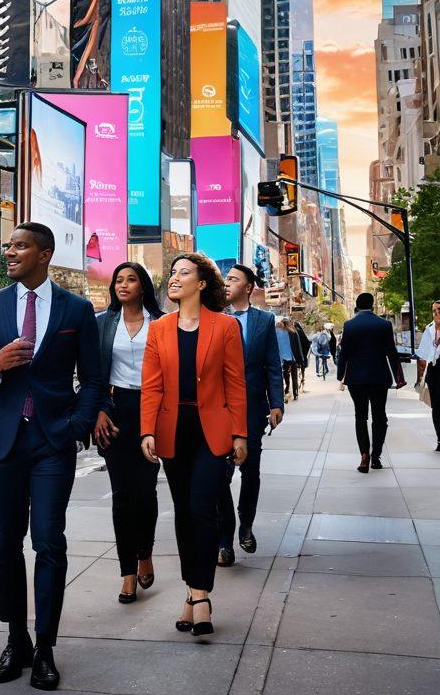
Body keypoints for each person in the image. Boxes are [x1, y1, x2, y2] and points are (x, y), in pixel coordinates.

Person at [0, 222, 101, 691]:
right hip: (3, 441)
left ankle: (45, 646)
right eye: (7, 246)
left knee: (49, 542)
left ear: (45, 253)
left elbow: (94, 379)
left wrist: (77, 427)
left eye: (19, 246)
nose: (9, 252)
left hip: (51, 442)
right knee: (6, 545)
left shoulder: (77, 310)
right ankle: (15, 638)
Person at [140, 253, 247, 638]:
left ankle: (200, 596)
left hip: (212, 429)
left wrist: (240, 433)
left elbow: (236, 383)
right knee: (184, 511)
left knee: (203, 508)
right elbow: (152, 384)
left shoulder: (226, 327)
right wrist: (146, 429)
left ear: (202, 284)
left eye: (184, 273)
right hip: (172, 428)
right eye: (172, 272)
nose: (174, 277)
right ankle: (192, 592)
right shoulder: (159, 328)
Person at [93, 262, 163, 603]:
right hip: (116, 410)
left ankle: (145, 551)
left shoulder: (162, 323)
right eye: (118, 280)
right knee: (122, 495)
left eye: (131, 279)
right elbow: (91, 375)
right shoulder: (102, 324)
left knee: (146, 491)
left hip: (152, 411)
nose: (123, 285)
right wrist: (99, 411)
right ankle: (127, 572)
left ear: (143, 286)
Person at [217, 265, 284, 567]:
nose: (227, 283)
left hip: (253, 408)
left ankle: (246, 524)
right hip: (219, 410)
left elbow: (272, 364)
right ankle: (224, 540)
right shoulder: (215, 319)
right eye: (226, 279)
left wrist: (276, 403)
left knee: (250, 471)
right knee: (220, 476)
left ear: (248, 287)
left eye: (233, 279)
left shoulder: (264, 320)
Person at [337, 291, 405, 472]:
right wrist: (399, 377)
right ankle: (376, 456)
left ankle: (364, 456)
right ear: (372, 305)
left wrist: (340, 376)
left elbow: (344, 353)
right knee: (379, 416)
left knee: (360, 417)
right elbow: (391, 352)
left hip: (356, 378)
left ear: (357, 307)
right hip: (379, 377)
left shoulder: (349, 325)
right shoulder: (384, 324)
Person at [416, 299, 440, 451]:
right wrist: (422, 372)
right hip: (434, 373)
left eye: (439, 309)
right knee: (436, 408)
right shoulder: (429, 329)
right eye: (434, 310)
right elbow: (422, 355)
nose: (436, 313)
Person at [276, 319, 298, 401]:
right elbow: (296, 346)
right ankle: (295, 393)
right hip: (292, 357)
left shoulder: (277, 332)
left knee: (285, 375)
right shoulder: (293, 332)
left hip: (282, 358)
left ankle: (286, 389)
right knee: (294, 376)